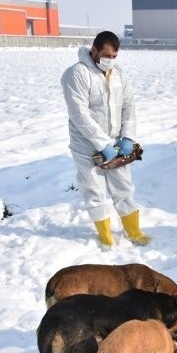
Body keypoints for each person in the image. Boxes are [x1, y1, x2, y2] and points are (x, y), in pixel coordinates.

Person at [61, 31, 150, 247]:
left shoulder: (119, 74)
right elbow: (79, 114)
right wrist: (102, 144)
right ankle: (105, 236)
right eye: (107, 55)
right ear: (94, 50)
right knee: (95, 190)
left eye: (114, 57)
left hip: (117, 144)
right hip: (86, 146)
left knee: (124, 187)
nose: (110, 61)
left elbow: (128, 106)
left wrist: (127, 136)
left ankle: (133, 231)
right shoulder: (77, 74)